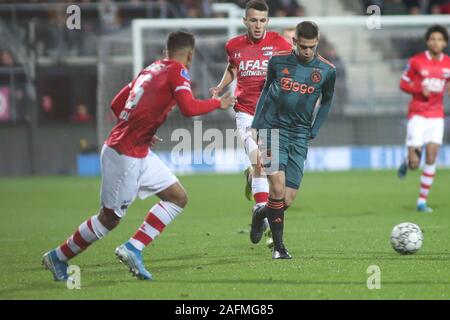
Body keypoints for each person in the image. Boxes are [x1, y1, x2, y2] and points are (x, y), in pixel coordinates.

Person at [42, 31, 235, 281]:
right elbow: (188, 108)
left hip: (138, 149)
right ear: (190, 54)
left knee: (177, 197)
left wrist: (142, 127)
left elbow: (117, 103)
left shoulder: (151, 68)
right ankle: (58, 256)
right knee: (108, 219)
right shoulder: (178, 71)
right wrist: (217, 104)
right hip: (124, 154)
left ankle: (133, 248)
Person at [250, 21, 336, 259]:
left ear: (317, 43)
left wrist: (314, 128)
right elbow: (267, 89)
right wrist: (256, 126)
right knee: (276, 187)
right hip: (271, 129)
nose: (307, 51)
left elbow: (327, 100)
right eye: (303, 46)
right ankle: (279, 248)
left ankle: (260, 214)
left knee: (286, 198)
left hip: (299, 135)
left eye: (312, 47)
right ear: (294, 41)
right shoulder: (278, 61)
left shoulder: (327, 70)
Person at [209, 0, 292, 247]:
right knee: (260, 162)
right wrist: (221, 86)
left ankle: (258, 210)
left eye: (263, 20)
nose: (258, 25)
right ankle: (262, 216)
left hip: (272, 114)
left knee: (266, 169)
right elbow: (234, 67)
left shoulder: (279, 43)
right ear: (245, 21)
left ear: (268, 21)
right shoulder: (233, 45)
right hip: (246, 112)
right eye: (253, 20)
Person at [397, 25, 450, 212]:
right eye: (433, 39)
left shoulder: (448, 64)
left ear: (445, 43)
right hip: (418, 114)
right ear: (427, 41)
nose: (436, 42)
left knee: (432, 155)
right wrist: (419, 89)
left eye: (440, 39)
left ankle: (421, 201)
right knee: (414, 164)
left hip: (436, 115)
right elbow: (403, 83)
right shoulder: (416, 61)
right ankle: (407, 160)